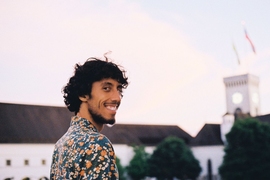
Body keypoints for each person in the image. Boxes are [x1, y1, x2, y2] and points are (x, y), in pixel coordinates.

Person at [50, 56, 129, 179]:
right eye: (106, 88)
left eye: (119, 89)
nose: (116, 97)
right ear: (83, 94)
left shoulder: (61, 143)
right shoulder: (97, 144)